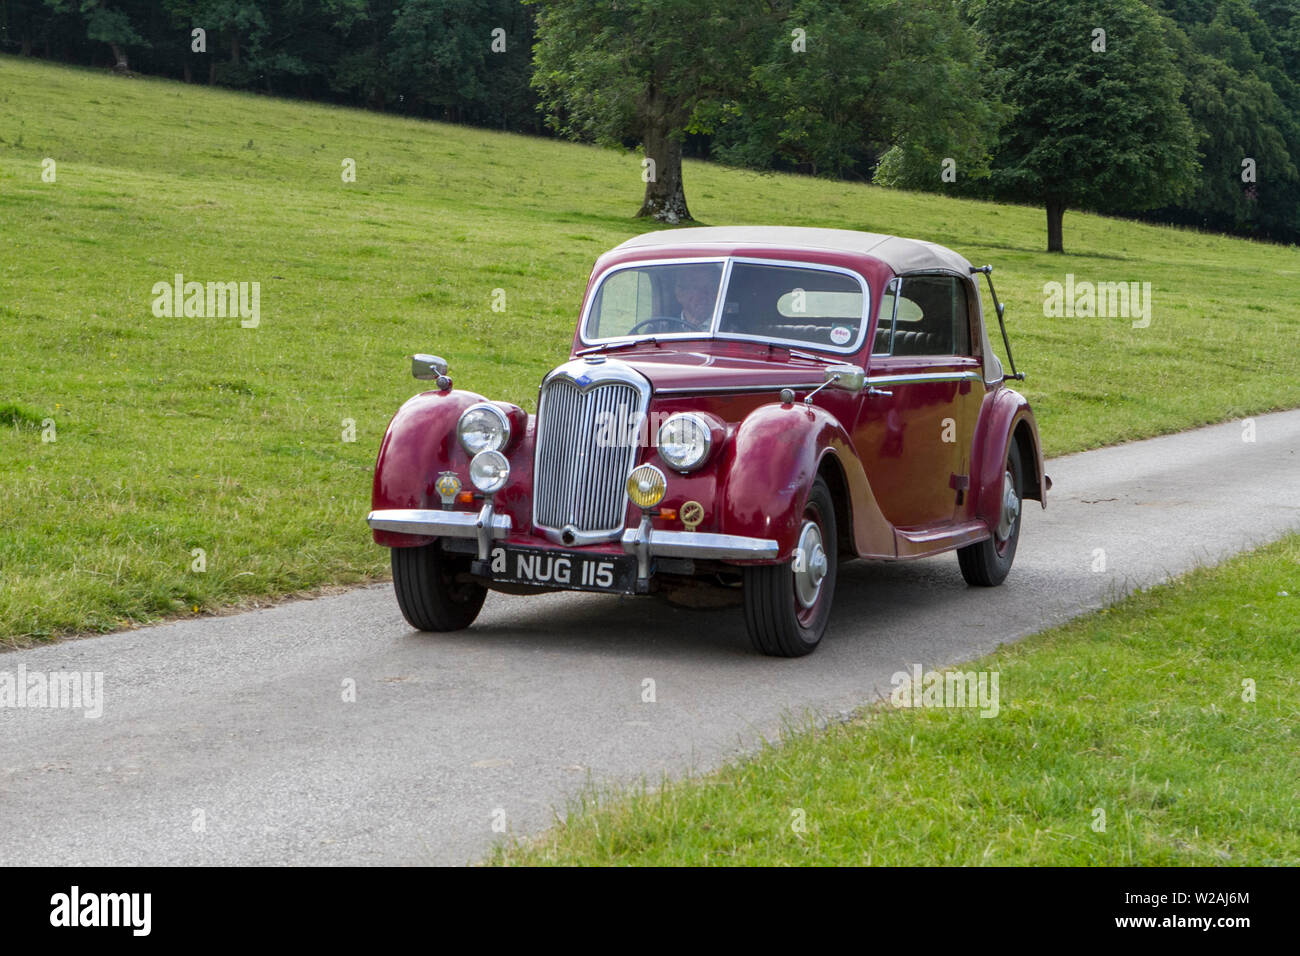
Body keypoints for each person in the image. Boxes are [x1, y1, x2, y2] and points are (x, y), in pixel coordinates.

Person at [671, 267, 720, 331]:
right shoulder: (664, 328)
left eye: (709, 288)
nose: (703, 295)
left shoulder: (726, 328)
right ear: (680, 294)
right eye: (696, 288)